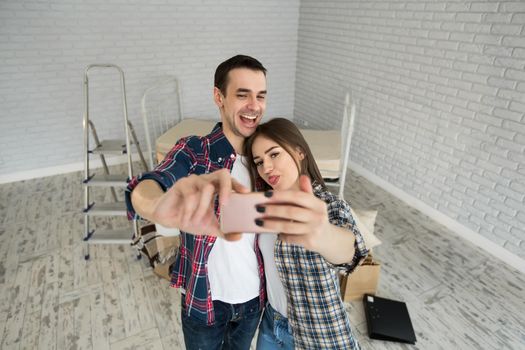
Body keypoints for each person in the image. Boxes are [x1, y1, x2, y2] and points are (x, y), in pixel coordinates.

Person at [125, 55, 268, 350]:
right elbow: (147, 186)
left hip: (254, 301)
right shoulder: (194, 150)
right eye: (243, 95)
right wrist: (155, 206)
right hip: (204, 304)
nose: (254, 106)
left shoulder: (267, 158)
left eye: (261, 96)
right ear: (219, 97)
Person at [243, 118, 369, 349]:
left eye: (274, 154)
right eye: (259, 162)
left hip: (317, 334)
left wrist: (324, 236)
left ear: (299, 151)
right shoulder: (264, 207)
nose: (266, 168)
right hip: (271, 324)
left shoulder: (330, 207)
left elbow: (351, 255)